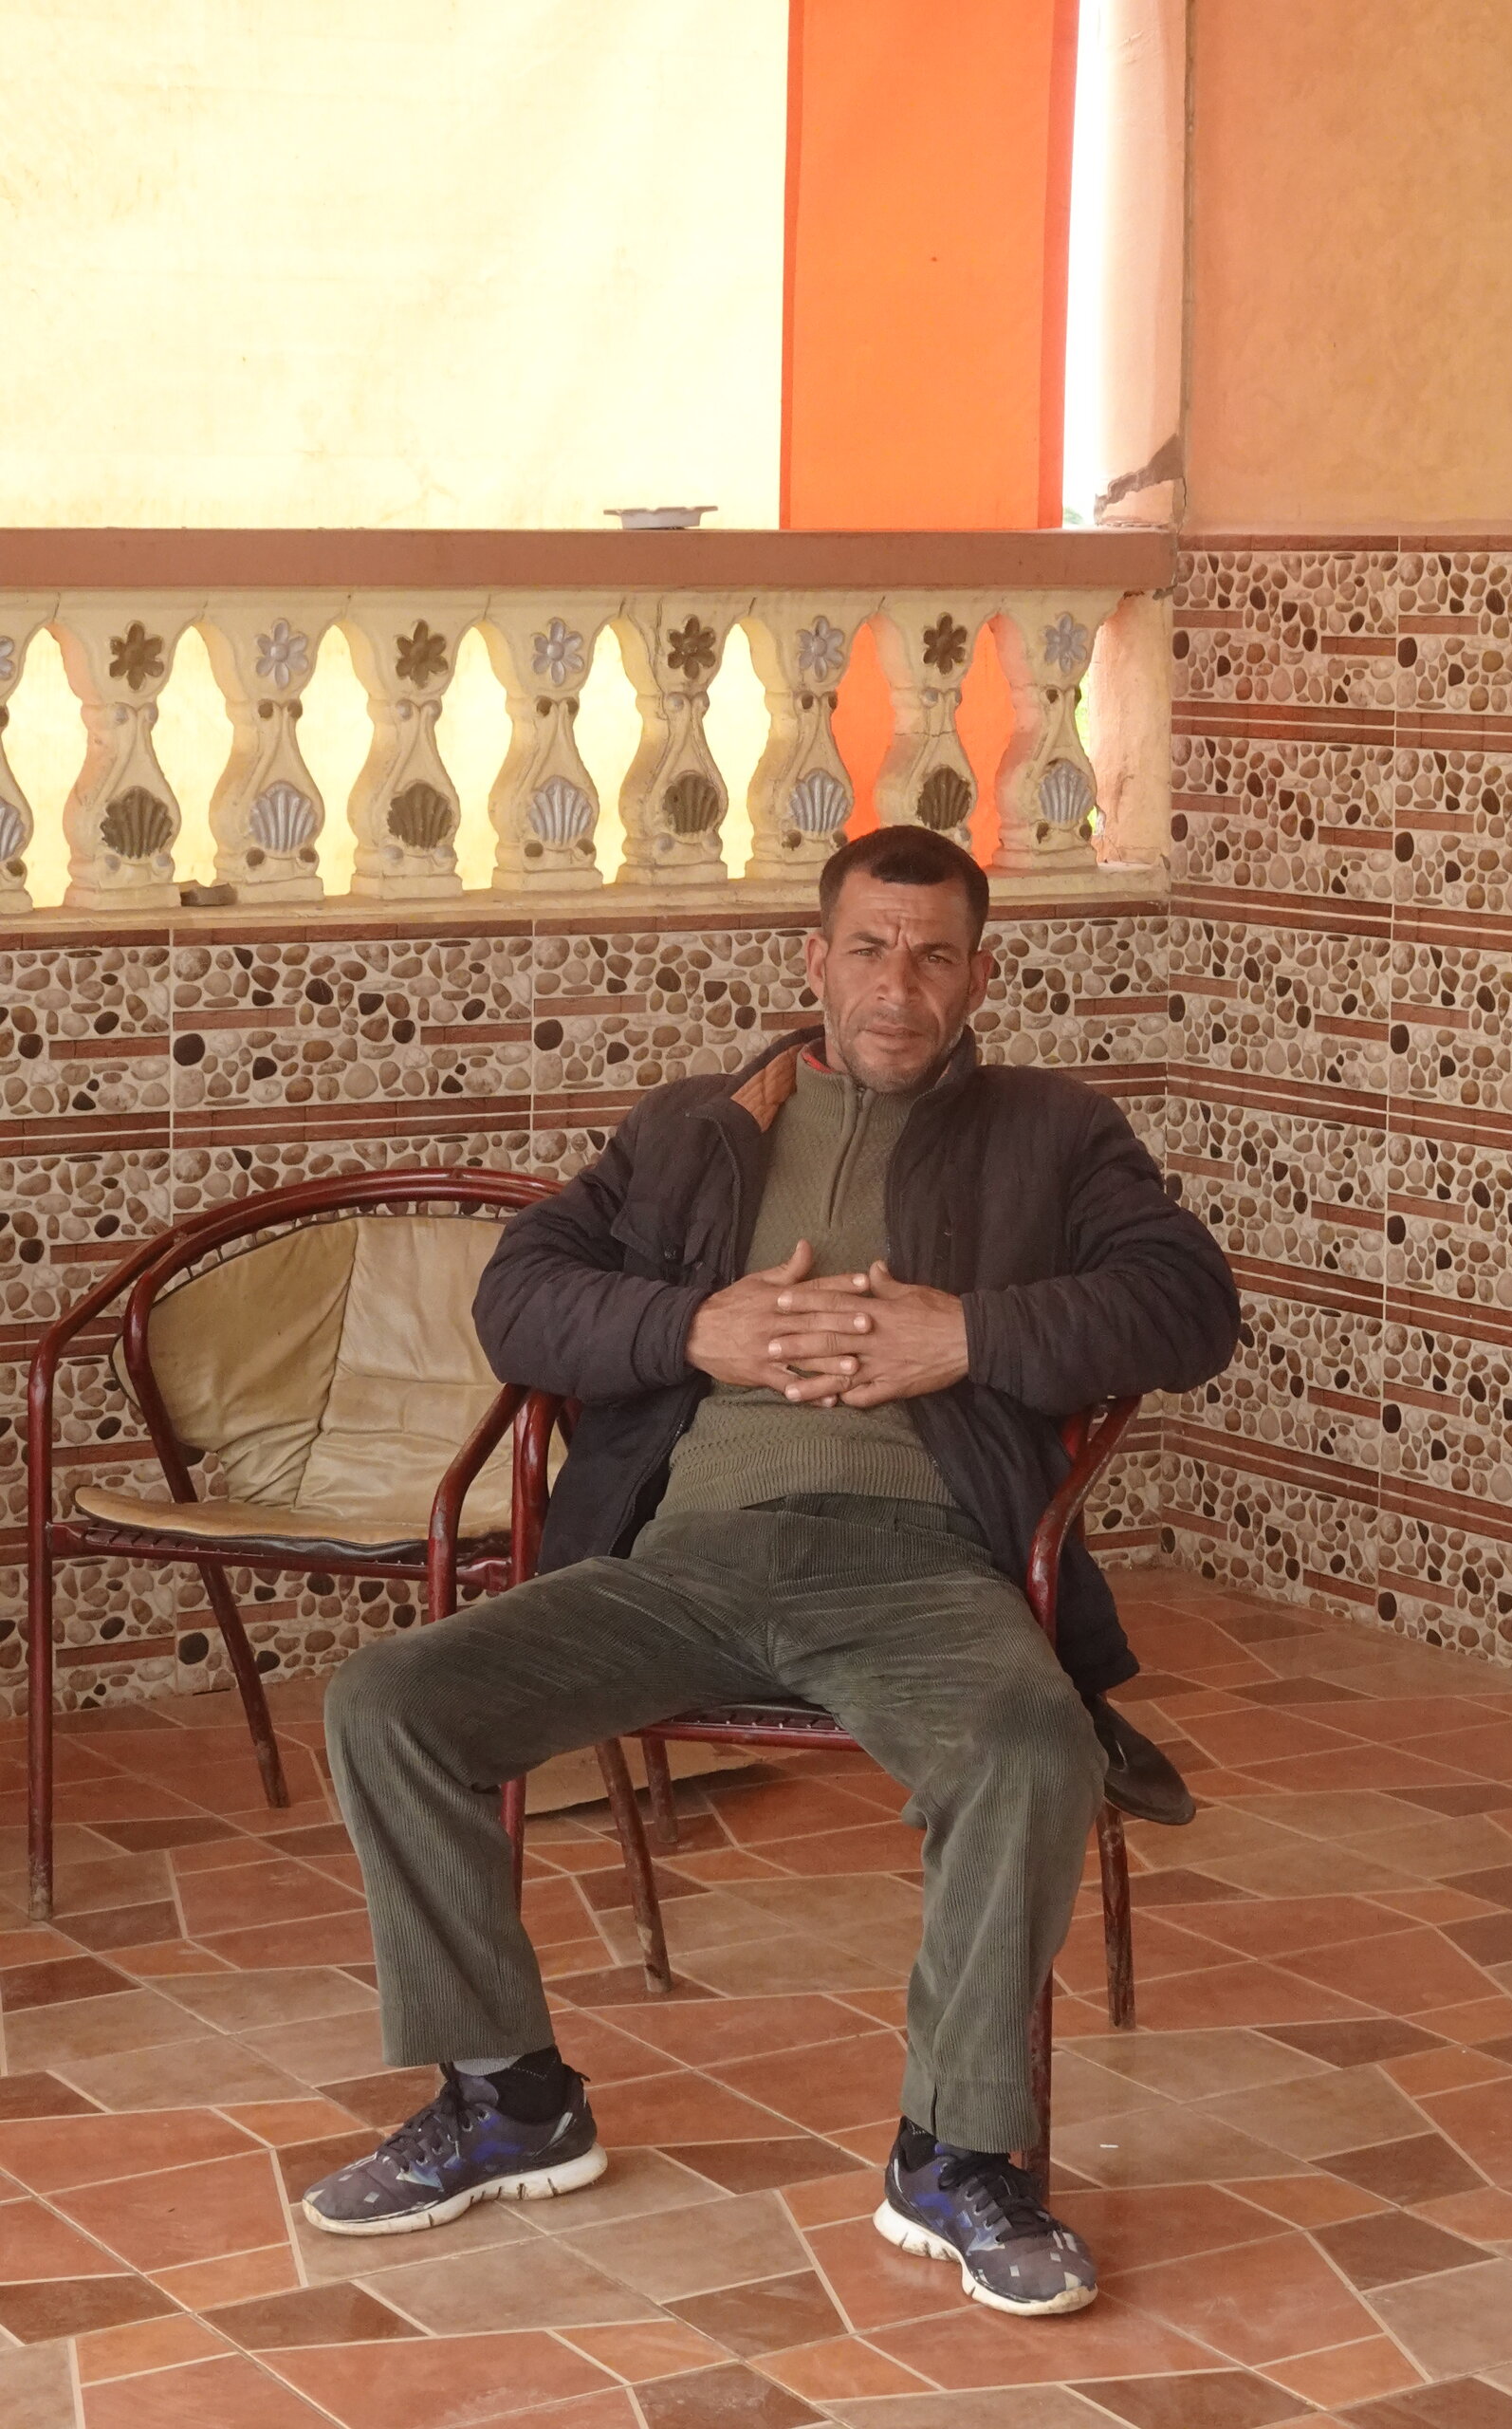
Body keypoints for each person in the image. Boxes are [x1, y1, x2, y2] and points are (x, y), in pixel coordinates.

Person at [304, 825, 1240, 2316]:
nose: (898, 985)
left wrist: (969, 1336)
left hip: (922, 1565)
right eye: (869, 948)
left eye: (935, 956)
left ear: (980, 977)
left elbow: (1190, 1305)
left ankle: (958, 2152)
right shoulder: (689, 1131)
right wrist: (694, 1329)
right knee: (391, 1700)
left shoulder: (1054, 1135)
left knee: (1022, 1742)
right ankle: (506, 2100)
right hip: (680, 1560)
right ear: (815, 961)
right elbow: (521, 1298)